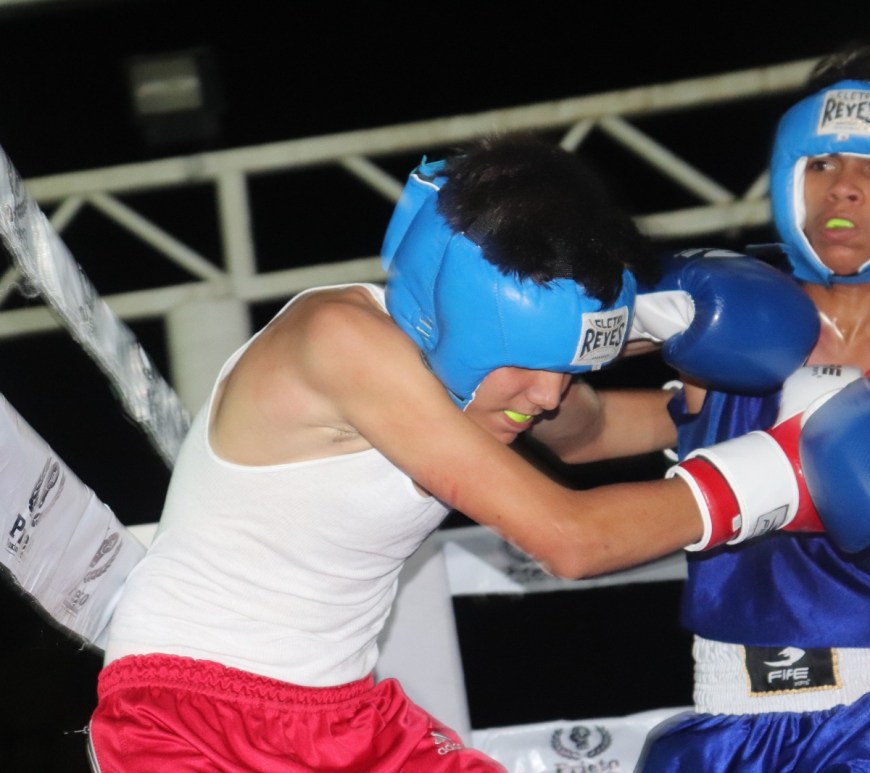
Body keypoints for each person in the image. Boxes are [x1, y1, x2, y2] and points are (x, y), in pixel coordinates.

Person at [86, 134, 825, 772]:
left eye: (567, 368)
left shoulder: (478, 374)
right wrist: (794, 468)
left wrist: (724, 397)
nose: (547, 395)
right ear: (457, 317)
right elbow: (571, 539)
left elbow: (589, 432)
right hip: (189, 712)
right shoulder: (338, 341)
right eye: (531, 364)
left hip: (344, 715)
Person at [637, 47, 870, 772]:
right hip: (732, 712)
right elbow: (569, 419)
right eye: (822, 164)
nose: (845, 188)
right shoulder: (720, 317)